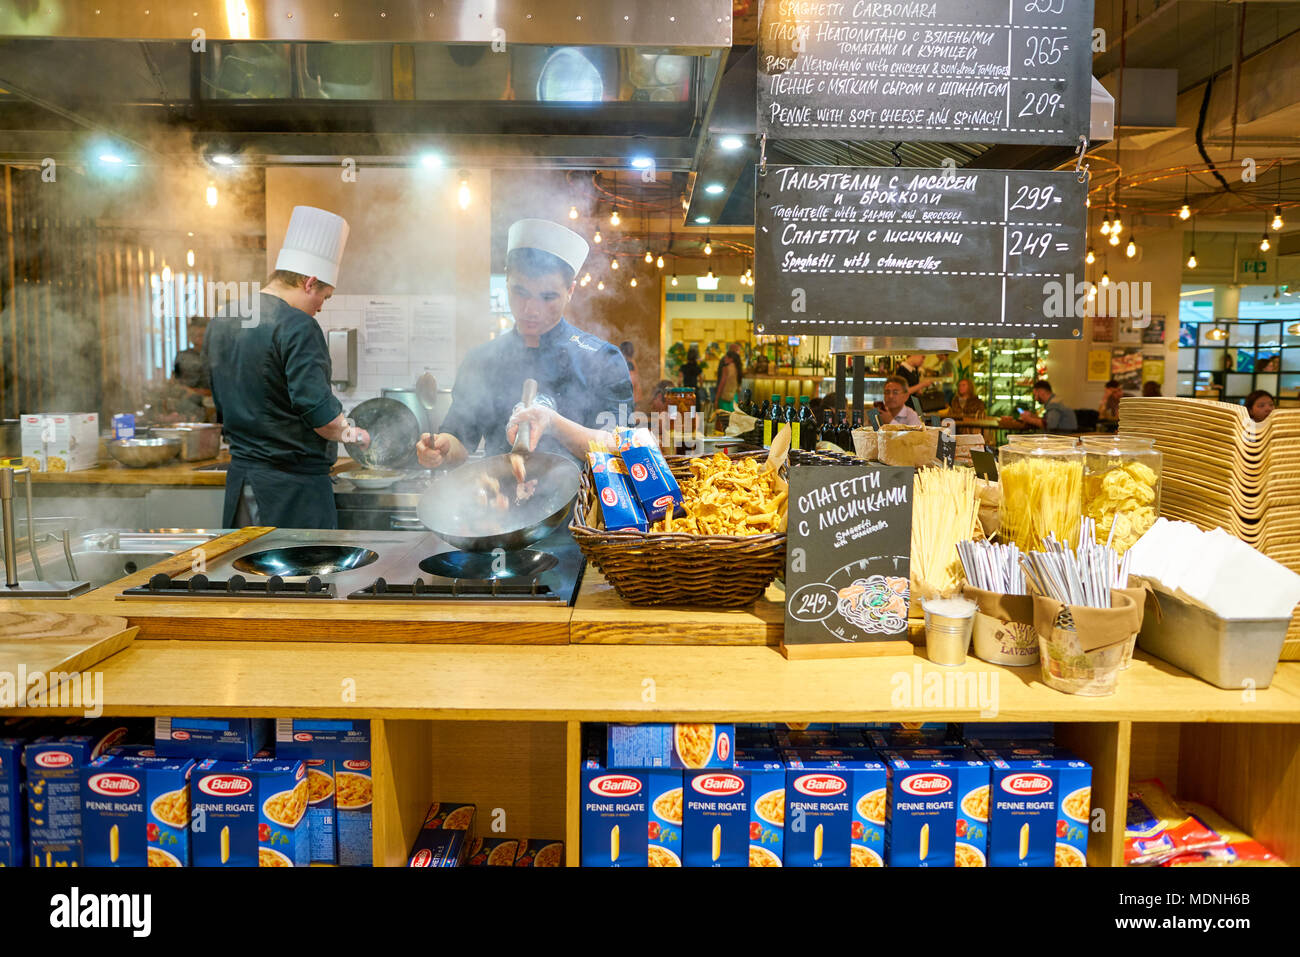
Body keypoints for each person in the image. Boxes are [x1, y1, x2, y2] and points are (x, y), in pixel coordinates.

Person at [416, 219, 633, 471]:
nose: (531, 309)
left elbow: (620, 447)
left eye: (548, 297)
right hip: (497, 503)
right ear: (506, 282)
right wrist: (442, 448)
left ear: (570, 290)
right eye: (520, 292)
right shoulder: (481, 360)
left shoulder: (602, 359)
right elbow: (460, 440)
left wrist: (552, 422)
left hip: (579, 507)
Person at [205, 206, 370, 529]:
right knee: (300, 579)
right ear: (309, 283)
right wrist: (350, 431)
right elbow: (318, 412)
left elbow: (222, 401)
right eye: (324, 296)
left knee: (246, 577)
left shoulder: (223, 319)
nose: (321, 307)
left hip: (243, 485)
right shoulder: (298, 325)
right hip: (291, 492)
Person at [716, 348, 741, 412]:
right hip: (734, 397)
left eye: (726, 357)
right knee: (732, 419)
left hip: (725, 397)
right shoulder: (738, 369)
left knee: (723, 418)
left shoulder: (726, 368)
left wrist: (716, 398)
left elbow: (722, 383)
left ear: (731, 359)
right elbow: (738, 386)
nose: (724, 359)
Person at [619, 340, 640, 405]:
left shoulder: (629, 364)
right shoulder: (631, 362)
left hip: (629, 399)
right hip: (632, 398)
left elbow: (630, 382)